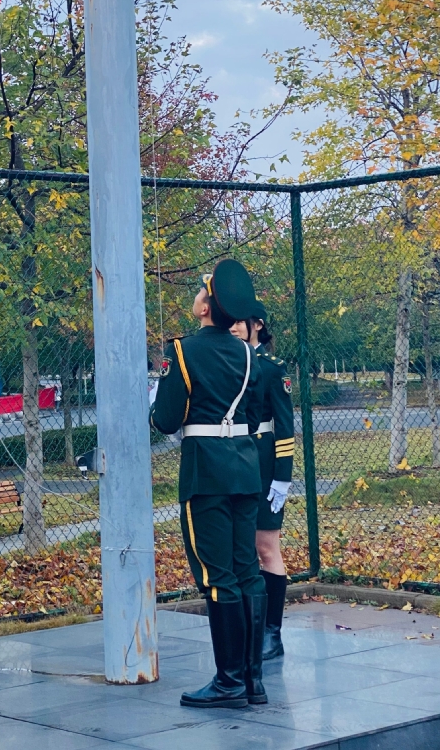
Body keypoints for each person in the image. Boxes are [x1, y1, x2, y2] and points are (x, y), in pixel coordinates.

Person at [150, 259, 267, 709]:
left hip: (207, 473)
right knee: (247, 570)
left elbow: (166, 420)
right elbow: (250, 415)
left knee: (217, 576)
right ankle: (253, 681)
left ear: (205, 309)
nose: (198, 295)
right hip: (245, 468)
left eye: (202, 292)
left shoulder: (183, 351)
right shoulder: (247, 354)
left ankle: (229, 681)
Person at [231, 301, 294, 660]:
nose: (233, 326)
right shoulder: (227, 362)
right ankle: (248, 629)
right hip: (232, 463)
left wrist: (282, 477)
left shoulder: (272, 368)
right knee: (239, 549)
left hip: (264, 465)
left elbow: (284, 426)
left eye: (240, 321)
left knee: (266, 547)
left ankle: (272, 632)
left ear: (257, 324)